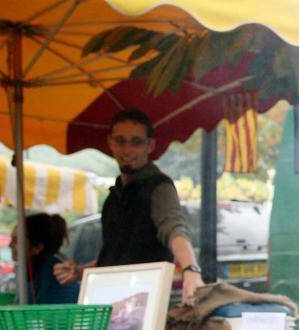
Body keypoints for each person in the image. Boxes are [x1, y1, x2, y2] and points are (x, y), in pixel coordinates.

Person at [53, 109, 203, 304]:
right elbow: (114, 258)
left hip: (145, 305)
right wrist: (79, 272)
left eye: (136, 142)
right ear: (110, 144)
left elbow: (174, 229)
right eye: (120, 141)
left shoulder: (159, 187)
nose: (127, 150)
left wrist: (190, 269)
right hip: (110, 302)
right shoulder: (113, 198)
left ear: (150, 145)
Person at [11, 213, 79, 304]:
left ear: (37, 248)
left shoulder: (52, 275)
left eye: (16, 241)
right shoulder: (37, 269)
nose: (10, 245)